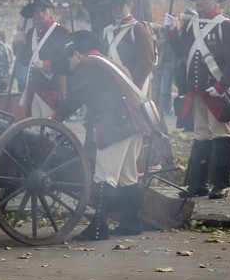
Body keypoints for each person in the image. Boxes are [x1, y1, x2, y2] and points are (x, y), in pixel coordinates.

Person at [42, 31, 150, 241]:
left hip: (115, 125)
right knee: (127, 176)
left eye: (69, 62)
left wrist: (55, 118)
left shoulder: (89, 64)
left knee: (104, 176)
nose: (70, 69)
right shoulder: (109, 62)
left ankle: (98, 228)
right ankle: (131, 222)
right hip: (133, 123)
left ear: (76, 54)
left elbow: (76, 97)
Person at [168, 0, 230, 200]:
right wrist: (172, 31)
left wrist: (221, 86)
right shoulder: (192, 24)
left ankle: (221, 184)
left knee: (221, 134)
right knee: (201, 135)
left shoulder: (225, 25)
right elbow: (181, 51)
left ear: (215, 0)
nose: (199, 2)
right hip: (197, 90)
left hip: (217, 90)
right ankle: (198, 184)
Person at [13, 0, 70, 118]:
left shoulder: (62, 32)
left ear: (51, 11)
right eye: (36, 11)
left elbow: (69, 60)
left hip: (52, 92)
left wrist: (46, 65)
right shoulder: (31, 33)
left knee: (51, 131)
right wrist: (16, 44)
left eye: (43, 10)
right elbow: (24, 60)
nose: (40, 14)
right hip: (33, 91)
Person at [101, 0, 155, 90]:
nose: (117, 8)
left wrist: (135, 86)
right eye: (114, 6)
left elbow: (146, 62)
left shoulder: (138, 28)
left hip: (135, 86)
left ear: (130, 6)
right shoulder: (106, 32)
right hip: (113, 87)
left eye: (121, 5)